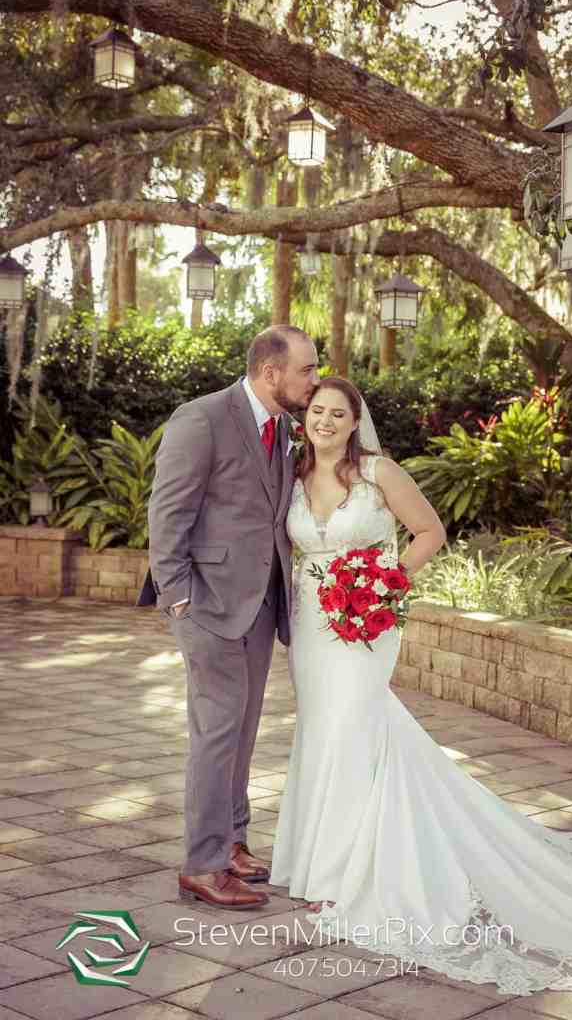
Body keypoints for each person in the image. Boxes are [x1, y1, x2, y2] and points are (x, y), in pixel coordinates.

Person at [269, 375, 572, 995]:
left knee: (354, 728)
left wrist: (384, 583)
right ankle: (314, 860)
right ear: (306, 419)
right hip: (311, 622)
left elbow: (430, 532)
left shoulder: (380, 473)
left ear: (355, 423)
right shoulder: (295, 474)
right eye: (318, 411)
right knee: (324, 732)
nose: (325, 422)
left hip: (367, 619)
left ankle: (344, 874)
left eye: (338, 414)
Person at [143, 324, 319, 909]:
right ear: (271, 373)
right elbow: (168, 511)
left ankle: (233, 842)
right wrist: (178, 597)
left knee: (242, 731)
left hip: (262, 603)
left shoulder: (284, 428)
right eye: (307, 369)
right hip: (207, 603)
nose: (315, 380)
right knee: (217, 731)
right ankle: (203, 864)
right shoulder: (201, 418)